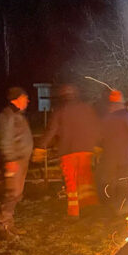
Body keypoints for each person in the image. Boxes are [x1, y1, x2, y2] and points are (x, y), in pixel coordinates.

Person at [33, 84, 102, 218]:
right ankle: (89, 208)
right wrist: (97, 144)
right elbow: (95, 127)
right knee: (85, 180)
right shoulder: (87, 108)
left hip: (67, 151)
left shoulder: (60, 111)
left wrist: (41, 147)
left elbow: (51, 131)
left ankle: (73, 212)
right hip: (85, 150)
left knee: (71, 182)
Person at [0, 87, 33, 239]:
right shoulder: (7, 115)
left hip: (20, 160)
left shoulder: (17, 115)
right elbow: (4, 139)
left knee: (17, 194)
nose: (27, 101)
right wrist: (9, 159)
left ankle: (9, 224)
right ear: (16, 98)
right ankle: (3, 226)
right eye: (25, 97)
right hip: (14, 161)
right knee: (12, 193)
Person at [100, 89, 128, 215]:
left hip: (109, 155)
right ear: (121, 102)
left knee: (111, 180)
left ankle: (111, 205)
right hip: (124, 156)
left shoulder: (106, 117)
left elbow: (101, 135)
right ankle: (123, 206)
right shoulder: (127, 117)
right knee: (124, 179)